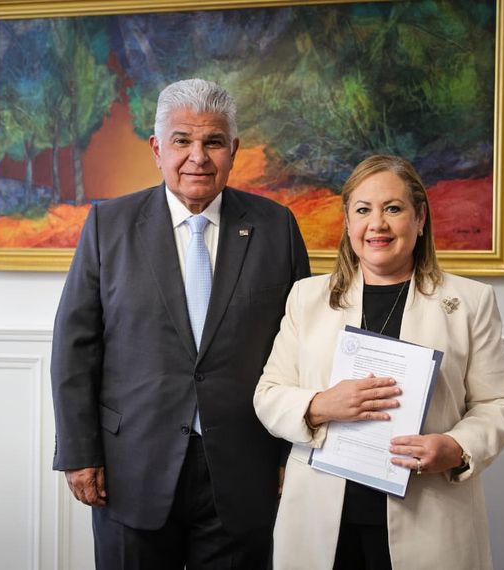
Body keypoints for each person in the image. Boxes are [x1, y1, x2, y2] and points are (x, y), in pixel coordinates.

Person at [51, 78, 310, 569]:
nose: (198, 157)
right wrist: (79, 453)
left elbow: (303, 349)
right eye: (182, 140)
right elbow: (74, 348)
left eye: (213, 142)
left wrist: (289, 455)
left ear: (233, 150)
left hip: (245, 469)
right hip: (130, 468)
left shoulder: (277, 227)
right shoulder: (108, 225)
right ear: (157, 149)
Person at [253, 154, 504, 570]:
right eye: (363, 210)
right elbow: (268, 395)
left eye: (393, 209)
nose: (377, 224)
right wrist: (320, 405)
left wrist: (456, 447)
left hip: (428, 517)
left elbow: (499, 405)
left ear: (420, 218)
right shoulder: (307, 298)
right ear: (347, 222)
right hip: (322, 519)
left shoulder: (470, 302)